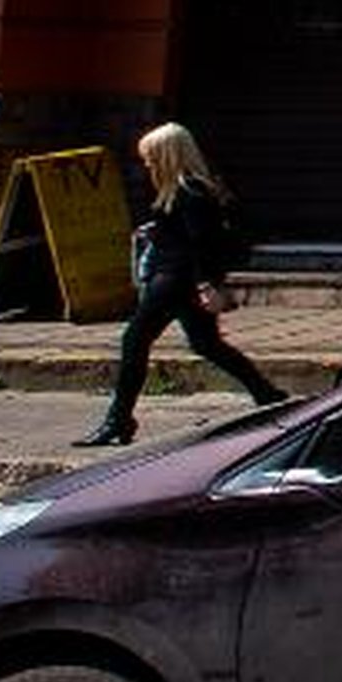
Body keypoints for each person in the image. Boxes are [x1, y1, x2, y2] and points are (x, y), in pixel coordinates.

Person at [74, 121, 283, 446]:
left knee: (135, 340)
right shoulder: (183, 189)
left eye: (151, 157)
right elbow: (184, 234)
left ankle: (118, 419)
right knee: (206, 344)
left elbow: (200, 243)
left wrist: (206, 285)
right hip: (179, 276)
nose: (147, 164)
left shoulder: (190, 192)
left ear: (168, 155)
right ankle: (268, 395)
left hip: (175, 279)